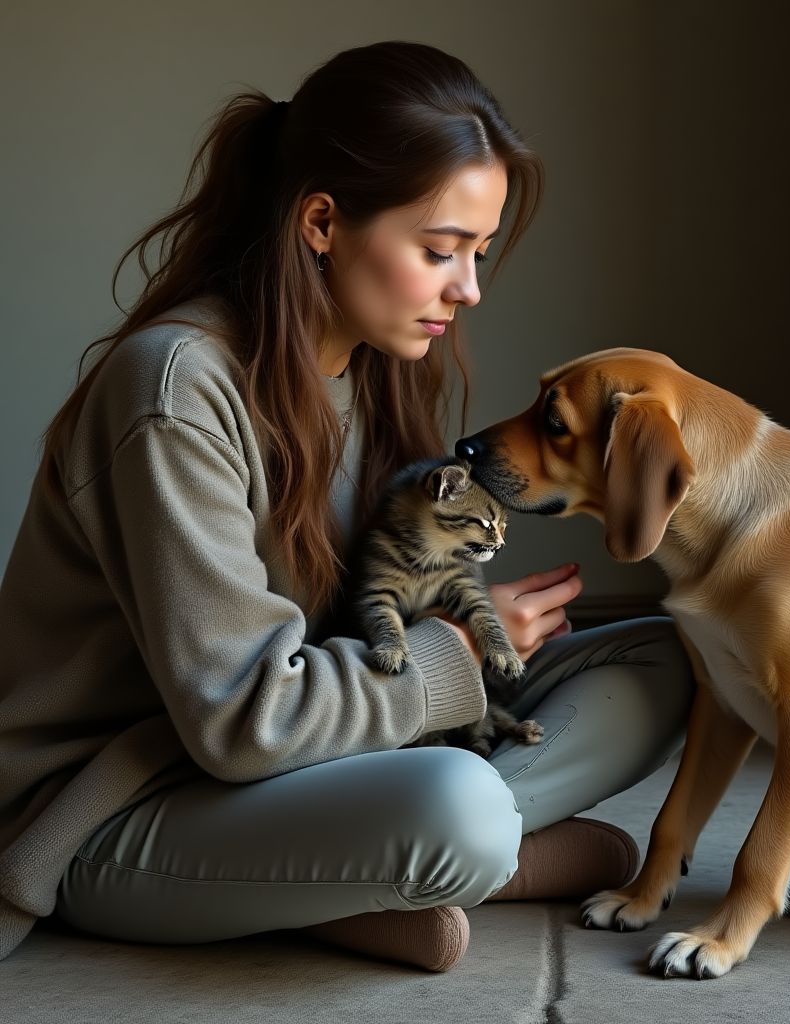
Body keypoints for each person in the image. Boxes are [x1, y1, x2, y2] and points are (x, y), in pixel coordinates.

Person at [0, 40, 692, 973]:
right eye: (441, 250)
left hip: (316, 764)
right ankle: (446, 859)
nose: (470, 288)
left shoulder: (370, 372)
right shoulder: (175, 391)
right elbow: (246, 723)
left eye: (479, 253)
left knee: (663, 656)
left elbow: (377, 624)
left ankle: (387, 874)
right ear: (322, 221)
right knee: (459, 805)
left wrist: (485, 631)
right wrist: (450, 662)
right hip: (117, 804)